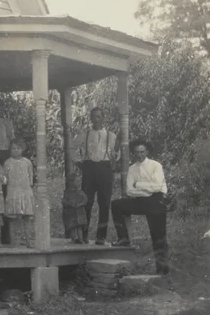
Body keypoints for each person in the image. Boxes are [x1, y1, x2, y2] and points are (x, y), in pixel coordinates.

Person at [110, 141, 170, 275]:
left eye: (142, 152)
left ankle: (162, 271)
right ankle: (123, 238)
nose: (140, 155)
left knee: (158, 238)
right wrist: (146, 191)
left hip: (156, 201)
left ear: (147, 151)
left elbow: (157, 187)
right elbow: (129, 191)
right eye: (137, 152)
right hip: (141, 201)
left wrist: (139, 185)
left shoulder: (156, 166)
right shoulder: (132, 168)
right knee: (116, 205)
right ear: (134, 153)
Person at [72, 107, 120, 245]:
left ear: (103, 118)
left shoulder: (111, 135)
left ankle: (101, 237)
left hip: (104, 169)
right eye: (93, 116)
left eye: (99, 116)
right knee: (86, 202)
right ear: (90, 118)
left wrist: (113, 159)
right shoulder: (85, 134)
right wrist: (78, 163)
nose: (96, 119)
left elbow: (117, 155)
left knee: (104, 203)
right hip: (89, 168)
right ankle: (84, 235)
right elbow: (71, 148)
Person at [3, 139, 35, 247]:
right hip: (13, 191)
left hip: (25, 191)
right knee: (13, 218)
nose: (16, 151)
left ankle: (28, 241)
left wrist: (29, 187)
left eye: (18, 148)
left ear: (22, 149)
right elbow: (5, 179)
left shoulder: (27, 162)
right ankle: (14, 241)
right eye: (13, 148)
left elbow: (30, 176)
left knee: (26, 217)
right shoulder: (7, 162)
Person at [62, 169, 89, 244]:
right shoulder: (67, 192)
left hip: (79, 212)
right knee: (72, 227)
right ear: (71, 183)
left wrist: (80, 204)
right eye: (77, 181)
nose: (79, 183)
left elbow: (85, 200)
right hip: (71, 213)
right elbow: (63, 201)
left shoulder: (80, 192)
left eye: (80, 181)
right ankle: (73, 239)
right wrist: (69, 203)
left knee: (79, 227)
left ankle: (80, 239)